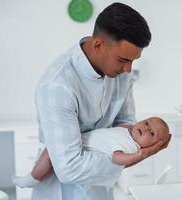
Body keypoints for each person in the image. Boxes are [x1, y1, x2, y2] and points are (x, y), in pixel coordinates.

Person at [32, 2, 169, 200]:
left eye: (133, 61)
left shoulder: (121, 74)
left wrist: (131, 150)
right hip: (61, 191)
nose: (128, 70)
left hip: (99, 188)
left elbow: (127, 127)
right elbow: (69, 169)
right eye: (123, 60)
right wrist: (132, 156)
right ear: (98, 45)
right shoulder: (57, 86)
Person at [13, 117, 171, 188]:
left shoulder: (131, 147)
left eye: (151, 134)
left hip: (80, 148)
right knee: (51, 162)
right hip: (79, 140)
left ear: (154, 144)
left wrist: (141, 154)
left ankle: (30, 179)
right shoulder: (128, 129)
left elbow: (117, 159)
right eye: (146, 123)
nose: (145, 128)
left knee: (50, 152)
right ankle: (38, 174)